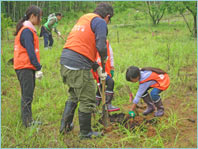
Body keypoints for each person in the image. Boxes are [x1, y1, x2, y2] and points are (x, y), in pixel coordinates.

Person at [59, 3, 114, 139]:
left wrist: (97, 67)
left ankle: (65, 127)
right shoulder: (100, 22)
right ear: (107, 17)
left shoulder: (85, 18)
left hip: (65, 61)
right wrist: (104, 59)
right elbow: (101, 45)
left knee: (74, 95)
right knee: (87, 98)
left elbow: (82, 47)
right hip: (78, 66)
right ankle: (85, 133)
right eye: (109, 20)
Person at [13, 5, 43, 127]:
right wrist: (38, 67)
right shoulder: (26, 31)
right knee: (27, 95)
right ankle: (27, 123)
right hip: (25, 67)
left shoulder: (27, 29)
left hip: (24, 66)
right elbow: (30, 52)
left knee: (27, 94)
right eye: (39, 17)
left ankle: (28, 120)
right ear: (32, 16)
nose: (40, 20)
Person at [92, 40, 120, 112]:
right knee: (110, 82)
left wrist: (112, 67)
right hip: (95, 69)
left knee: (101, 86)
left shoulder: (106, 43)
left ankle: (96, 105)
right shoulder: (91, 42)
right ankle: (107, 105)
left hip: (106, 69)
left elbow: (111, 55)